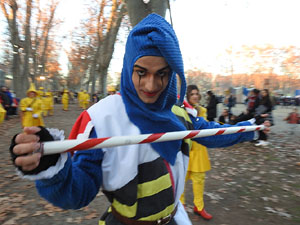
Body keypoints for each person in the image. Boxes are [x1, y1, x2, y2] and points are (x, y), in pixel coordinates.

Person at [9, 14, 270, 225]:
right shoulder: (101, 119)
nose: (151, 84)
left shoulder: (178, 113)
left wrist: (252, 128)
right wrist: (50, 168)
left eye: (162, 74)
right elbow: (78, 192)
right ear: (127, 67)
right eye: (141, 72)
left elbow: (214, 134)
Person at [180, 85, 212, 220]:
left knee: (199, 180)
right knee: (181, 180)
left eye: (197, 94)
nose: (195, 96)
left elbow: (207, 128)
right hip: (185, 151)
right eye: (192, 94)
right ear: (187, 96)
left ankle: (199, 207)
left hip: (199, 151)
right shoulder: (180, 111)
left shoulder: (202, 111)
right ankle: (180, 205)